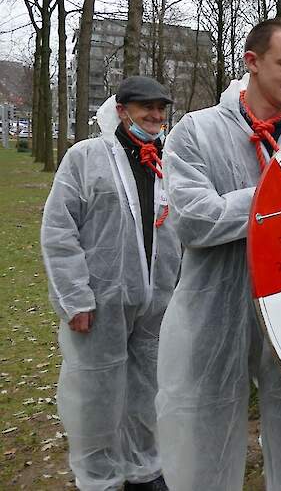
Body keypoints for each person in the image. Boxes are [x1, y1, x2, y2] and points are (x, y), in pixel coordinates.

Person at [156, 18, 281, 491]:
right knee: (206, 433)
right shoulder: (196, 132)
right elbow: (193, 220)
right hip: (217, 308)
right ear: (252, 62)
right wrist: (278, 197)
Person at [41, 76, 181, 491]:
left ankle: (143, 468)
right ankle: (98, 477)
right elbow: (58, 229)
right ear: (122, 110)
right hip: (99, 302)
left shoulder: (168, 162)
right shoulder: (86, 157)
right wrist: (74, 297)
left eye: (161, 109)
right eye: (145, 108)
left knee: (147, 390)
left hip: (156, 301)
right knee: (96, 393)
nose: (155, 116)